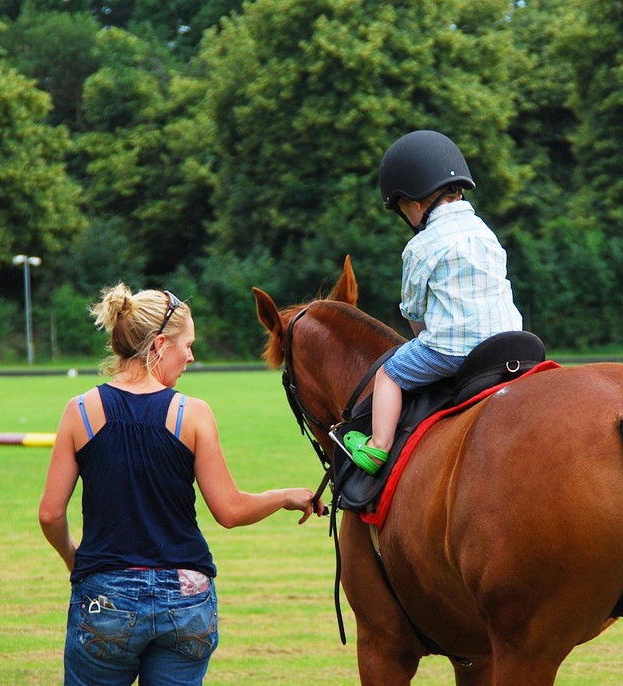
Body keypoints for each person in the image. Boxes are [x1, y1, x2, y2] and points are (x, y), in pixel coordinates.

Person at [38, 284, 322, 685]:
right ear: (158, 345)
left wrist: (76, 560)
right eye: (186, 345)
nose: (190, 355)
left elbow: (50, 514)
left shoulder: (80, 411)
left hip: (105, 599)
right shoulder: (193, 414)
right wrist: (284, 496)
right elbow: (230, 510)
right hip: (186, 601)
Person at [343, 129, 524, 474]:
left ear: (413, 202)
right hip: (510, 343)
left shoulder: (421, 245)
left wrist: (422, 338)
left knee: (389, 374)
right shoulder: (484, 231)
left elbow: (415, 312)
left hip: (453, 350)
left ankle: (377, 447)